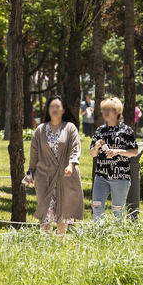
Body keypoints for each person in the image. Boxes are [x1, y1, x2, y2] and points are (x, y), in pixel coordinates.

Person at [26, 96, 85, 232]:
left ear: (63, 110)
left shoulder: (70, 128)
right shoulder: (40, 129)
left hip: (64, 175)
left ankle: (60, 240)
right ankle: (45, 241)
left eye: (57, 106)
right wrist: (30, 172)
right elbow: (34, 153)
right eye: (52, 106)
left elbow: (75, 149)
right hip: (43, 176)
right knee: (44, 208)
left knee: (63, 208)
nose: (54, 109)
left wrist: (71, 165)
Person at [90, 97, 139, 221]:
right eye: (104, 109)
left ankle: (117, 236)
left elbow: (134, 151)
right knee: (97, 206)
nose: (105, 112)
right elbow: (92, 153)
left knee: (118, 210)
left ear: (117, 111)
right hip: (101, 176)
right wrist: (96, 146)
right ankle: (98, 235)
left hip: (120, 177)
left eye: (109, 109)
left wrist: (117, 152)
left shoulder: (126, 130)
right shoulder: (100, 130)